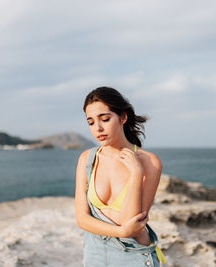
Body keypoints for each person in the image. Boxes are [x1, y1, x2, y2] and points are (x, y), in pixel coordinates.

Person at [75, 86, 165, 267]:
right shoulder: (87, 159)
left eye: (105, 119)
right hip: (95, 254)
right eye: (91, 122)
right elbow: (82, 219)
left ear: (123, 117)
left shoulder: (149, 162)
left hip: (134, 255)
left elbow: (131, 222)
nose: (97, 128)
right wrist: (122, 231)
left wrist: (137, 173)